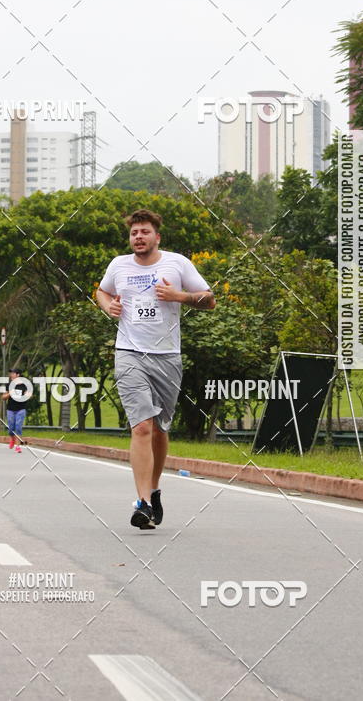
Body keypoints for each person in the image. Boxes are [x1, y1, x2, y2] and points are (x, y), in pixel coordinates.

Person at [96, 209, 215, 529]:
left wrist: (180, 296)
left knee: (161, 429)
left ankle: (154, 489)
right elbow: (101, 291)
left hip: (166, 356)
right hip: (129, 353)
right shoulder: (118, 265)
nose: (139, 237)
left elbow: (209, 299)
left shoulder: (177, 263)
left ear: (156, 236)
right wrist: (110, 307)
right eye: (134, 232)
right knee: (142, 427)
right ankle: (143, 502)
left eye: (145, 232)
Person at [0, 367, 27, 453]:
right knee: (11, 428)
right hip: (11, 409)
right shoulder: (9, 385)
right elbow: (3, 397)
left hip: (21, 409)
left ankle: (18, 446)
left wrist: (26, 395)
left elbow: (29, 395)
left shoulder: (24, 385)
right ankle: (12, 439)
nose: (11, 375)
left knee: (18, 427)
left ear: (18, 375)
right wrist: (10, 394)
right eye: (11, 373)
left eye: (13, 373)